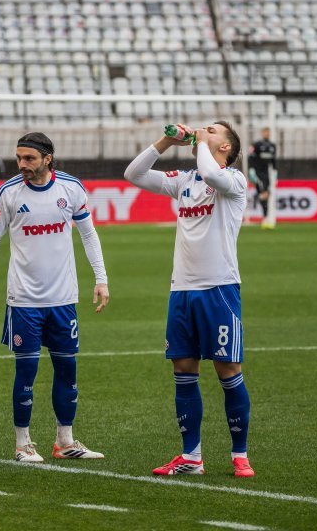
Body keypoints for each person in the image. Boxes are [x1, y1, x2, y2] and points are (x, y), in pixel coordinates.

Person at [124, 122, 255, 478]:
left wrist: (198, 142)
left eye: (212, 129)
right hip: (182, 290)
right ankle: (191, 457)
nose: (203, 129)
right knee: (183, 372)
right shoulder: (184, 181)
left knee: (228, 372)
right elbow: (133, 174)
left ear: (226, 146)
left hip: (220, 290)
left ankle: (239, 453)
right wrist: (166, 141)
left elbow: (211, 175)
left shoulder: (234, 181)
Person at [0, 132, 110, 463]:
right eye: (19, 158)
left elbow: (88, 234)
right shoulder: (7, 193)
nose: (21, 165)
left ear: (47, 158)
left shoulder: (71, 188)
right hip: (23, 301)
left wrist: (101, 278)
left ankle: (64, 441)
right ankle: (23, 443)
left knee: (68, 370)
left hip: (63, 299)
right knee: (27, 372)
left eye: (29, 159)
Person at [248, 127, 277, 229]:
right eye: (265, 132)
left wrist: (275, 171)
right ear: (262, 133)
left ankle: (265, 217)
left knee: (266, 194)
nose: (267, 134)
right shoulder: (257, 145)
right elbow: (250, 157)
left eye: (268, 132)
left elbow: (273, 160)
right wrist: (251, 169)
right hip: (258, 173)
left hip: (267, 174)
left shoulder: (272, 146)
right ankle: (265, 219)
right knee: (264, 193)